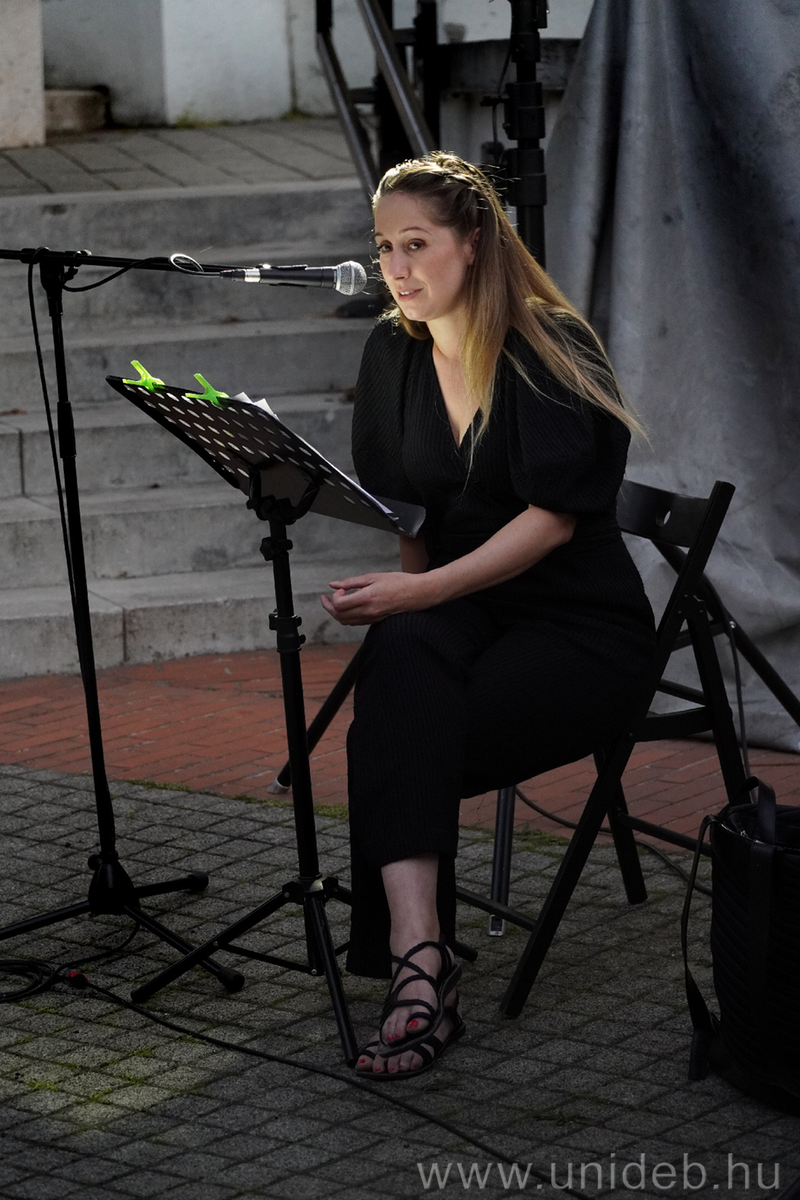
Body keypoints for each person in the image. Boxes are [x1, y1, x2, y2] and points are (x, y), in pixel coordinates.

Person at [319, 152, 655, 1080]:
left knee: (396, 733)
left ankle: (417, 968)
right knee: (402, 666)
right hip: (469, 611)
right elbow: (408, 518)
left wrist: (419, 598)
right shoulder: (392, 352)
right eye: (384, 247)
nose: (396, 267)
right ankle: (421, 957)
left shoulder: (548, 343)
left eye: (415, 244)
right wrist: (405, 609)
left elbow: (554, 521)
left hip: (581, 626)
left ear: (473, 242)